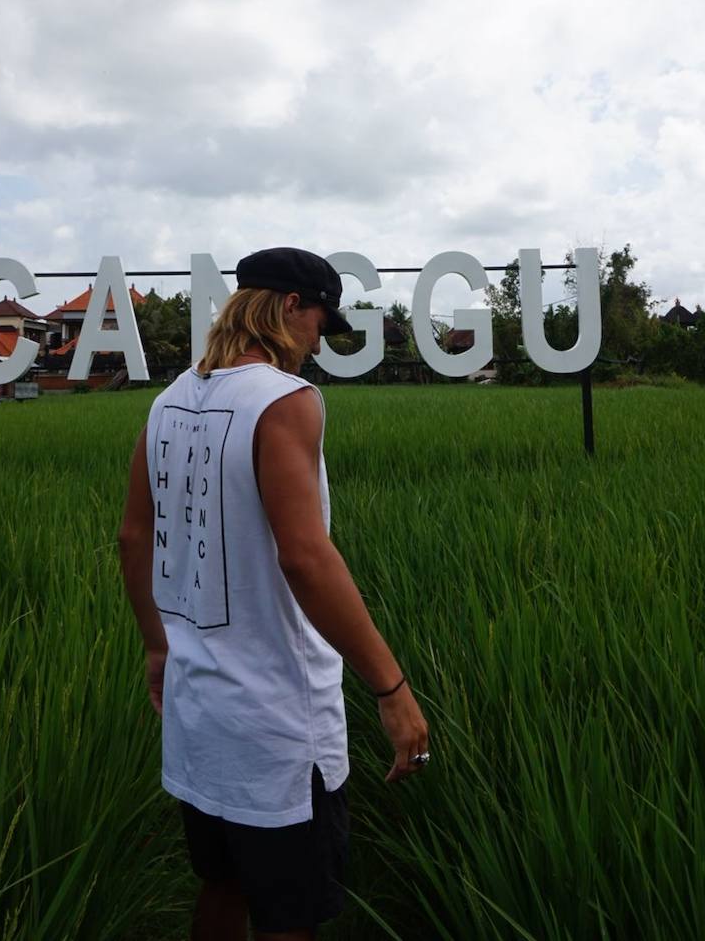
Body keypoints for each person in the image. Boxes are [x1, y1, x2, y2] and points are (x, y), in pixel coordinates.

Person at [118, 246, 429, 941]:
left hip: (198, 713)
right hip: (279, 727)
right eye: (321, 320)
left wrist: (155, 647)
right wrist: (390, 688)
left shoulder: (168, 399)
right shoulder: (285, 400)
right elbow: (306, 558)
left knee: (221, 887)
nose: (320, 338)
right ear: (290, 307)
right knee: (289, 914)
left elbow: (133, 540)